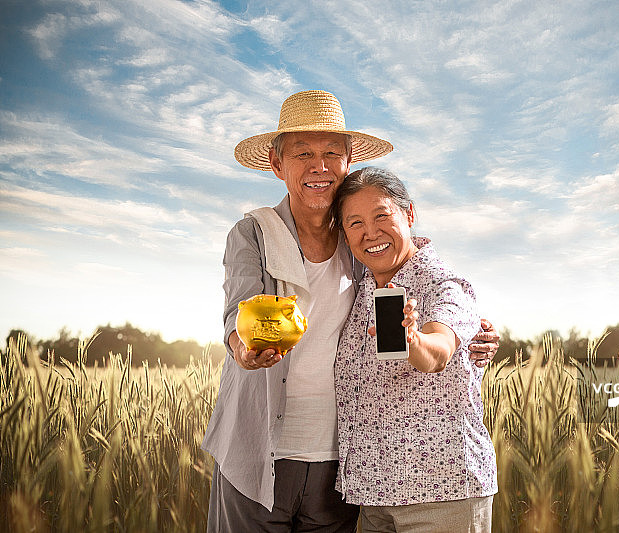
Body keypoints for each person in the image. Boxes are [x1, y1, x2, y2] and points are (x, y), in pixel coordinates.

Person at [202, 90, 499, 533]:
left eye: (331, 154)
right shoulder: (253, 232)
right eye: (302, 154)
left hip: (339, 464)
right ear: (277, 163)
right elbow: (239, 309)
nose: (318, 167)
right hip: (258, 449)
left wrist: (470, 332)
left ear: (347, 161)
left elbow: (438, 302)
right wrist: (242, 349)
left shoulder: (362, 245)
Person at [332, 167, 497, 533]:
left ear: (408, 214)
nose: (370, 233)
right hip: (375, 496)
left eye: (381, 216)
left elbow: (438, 351)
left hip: (442, 493)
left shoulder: (445, 285)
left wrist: (413, 341)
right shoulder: (362, 289)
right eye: (354, 223)